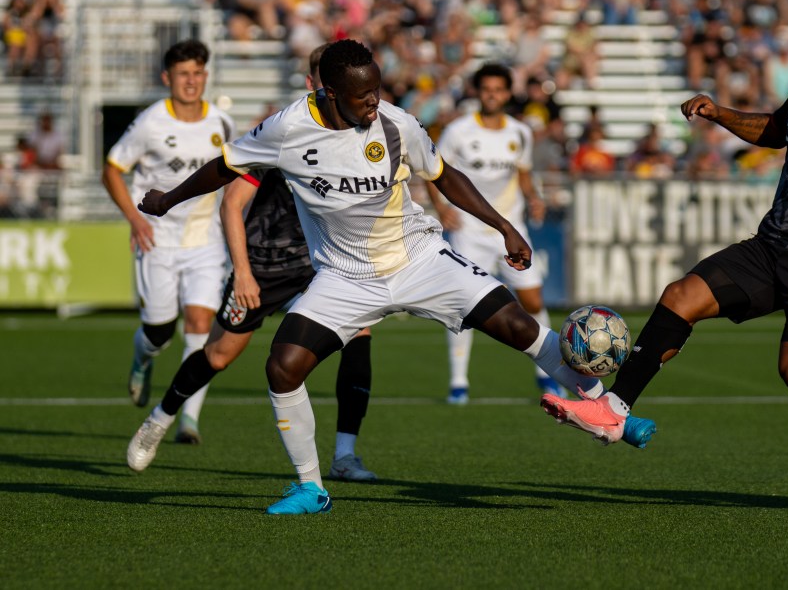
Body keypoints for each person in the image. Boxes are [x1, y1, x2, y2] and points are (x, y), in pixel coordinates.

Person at [135, 39, 657, 515]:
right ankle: (310, 487)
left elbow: (444, 175)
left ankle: (611, 412)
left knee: (519, 327)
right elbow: (225, 166)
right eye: (362, 96)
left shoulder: (396, 124)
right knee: (282, 366)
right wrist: (166, 198)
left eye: (378, 91)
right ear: (330, 92)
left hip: (419, 258)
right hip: (344, 278)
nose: (373, 103)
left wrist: (503, 226)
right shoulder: (288, 127)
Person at [541, 0, 788, 514]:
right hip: (771, 246)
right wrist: (719, 114)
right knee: (681, 296)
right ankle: (613, 407)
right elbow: (774, 131)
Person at [126, 44, 377, 482]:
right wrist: (243, 271)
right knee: (220, 354)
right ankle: (160, 418)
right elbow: (232, 203)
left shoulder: (366, 130)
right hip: (266, 262)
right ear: (313, 84)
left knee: (360, 334)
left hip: (327, 261)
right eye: (326, 81)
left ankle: (345, 455)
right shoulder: (285, 130)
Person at [102, 39, 236, 444]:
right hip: (157, 238)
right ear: (168, 78)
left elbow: (233, 176)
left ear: (206, 76)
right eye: (183, 74)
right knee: (159, 331)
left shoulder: (223, 124)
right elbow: (112, 169)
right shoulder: (151, 122)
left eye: (197, 73)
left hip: (205, 241)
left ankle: (188, 419)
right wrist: (134, 220)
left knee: (200, 322)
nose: (191, 82)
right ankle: (142, 358)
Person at [426, 63, 561, 404]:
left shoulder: (519, 132)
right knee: (464, 308)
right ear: (477, 91)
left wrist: (533, 199)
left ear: (507, 93)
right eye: (486, 89)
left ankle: (547, 375)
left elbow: (524, 174)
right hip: (469, 231)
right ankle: (459, 383)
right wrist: (442, 209)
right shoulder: (457, 131)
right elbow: (433, 171)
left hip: (510, 230)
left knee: (532, 301)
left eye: (499, 89)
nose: (492, 95)